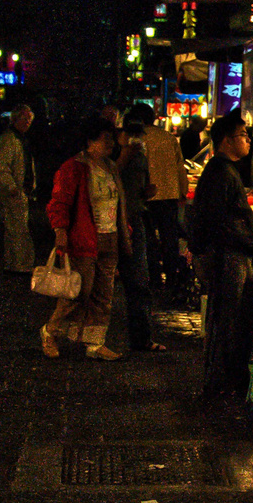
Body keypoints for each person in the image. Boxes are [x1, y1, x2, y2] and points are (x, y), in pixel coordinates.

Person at [42, 115, 130, 361]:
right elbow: (59, 202)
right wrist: (60, 230)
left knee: (104, 295)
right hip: (83, 239)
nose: (111, 143)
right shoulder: (74, 167)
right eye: (106, 139)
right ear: (90, 141)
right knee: (77, 292)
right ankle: (51, 332)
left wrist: (125, 232)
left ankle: (95, 342)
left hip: (110, 238)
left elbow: (119, 203)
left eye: (112, 138)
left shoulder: (111, 168)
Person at [187, 112, 253, 408]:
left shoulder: (223, 171)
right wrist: (246, 243)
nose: (248, 140)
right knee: (228, 321)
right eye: (243, 135)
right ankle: (223, 384)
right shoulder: (221, 173)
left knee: (233, 320)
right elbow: (218, 220)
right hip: (228, 257)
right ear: (227, 141)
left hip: (230, 254)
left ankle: (226, 381)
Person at [116, 108, 163, 353]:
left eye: (139, 135)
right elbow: (109, 178)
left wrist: (148, 191)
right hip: (112, 223)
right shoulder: (112, 152)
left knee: (139, 281)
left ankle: (142, 338)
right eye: (130, 134)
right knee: (99, 285)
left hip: (136, 218)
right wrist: (123, 155)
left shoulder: (143, 155)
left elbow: (140, 188)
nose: (136, 139)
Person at [128, 103, 188, 291]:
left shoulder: (135, 138)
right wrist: (182, 191)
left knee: (148, 240)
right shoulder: (168, 137)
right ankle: (171, 277)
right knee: (169, 238)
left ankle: (153, 277)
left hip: (146, 195)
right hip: (169, 194)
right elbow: (180, 167)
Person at [0, 103, 36, 274]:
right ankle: (20, 264)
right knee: (18, 228)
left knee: (15, 227)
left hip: (19, 189)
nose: (27, 122)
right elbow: (1, 168)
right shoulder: (10, 140)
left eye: (29, 118)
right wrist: (11, 187)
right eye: (24, 118)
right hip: (15, 190)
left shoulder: (18, 139)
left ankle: (13, 262)